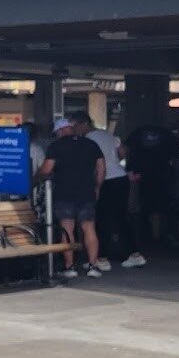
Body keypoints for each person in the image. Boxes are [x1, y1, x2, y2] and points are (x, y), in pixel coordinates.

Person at [72, 110, 143, 268]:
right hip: (120, 177)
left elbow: (93, 164)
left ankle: (102, 257)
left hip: (106, 180)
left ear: (83, 124)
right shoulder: (107, 135)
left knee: (102, 219)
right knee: (120, 217)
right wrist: (115, 160)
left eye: (75, 126)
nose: (74, 130)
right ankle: (133, 253)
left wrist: (96, 184)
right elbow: (123, 152)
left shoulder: (88, 140)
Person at [38, 117, 106, 277]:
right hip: (86, 193)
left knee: (67, 230)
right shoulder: (91, 144)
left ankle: (70, 267)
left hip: (64, 193)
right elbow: (101, 169)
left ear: (60, 131)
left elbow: (46, 170)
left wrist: (38, 175)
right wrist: (97, 187)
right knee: (89, 228)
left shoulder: (56, 146)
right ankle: (93, 265)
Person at [123, 117, 179, 248]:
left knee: (139, 206)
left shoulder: (137, 133)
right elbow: (177, 160)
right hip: (161, 175)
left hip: (138, 175)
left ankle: (142, 235)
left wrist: (129, 168)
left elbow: (125, 150)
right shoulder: (169, 136)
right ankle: (158, 236)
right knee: (160, 207)